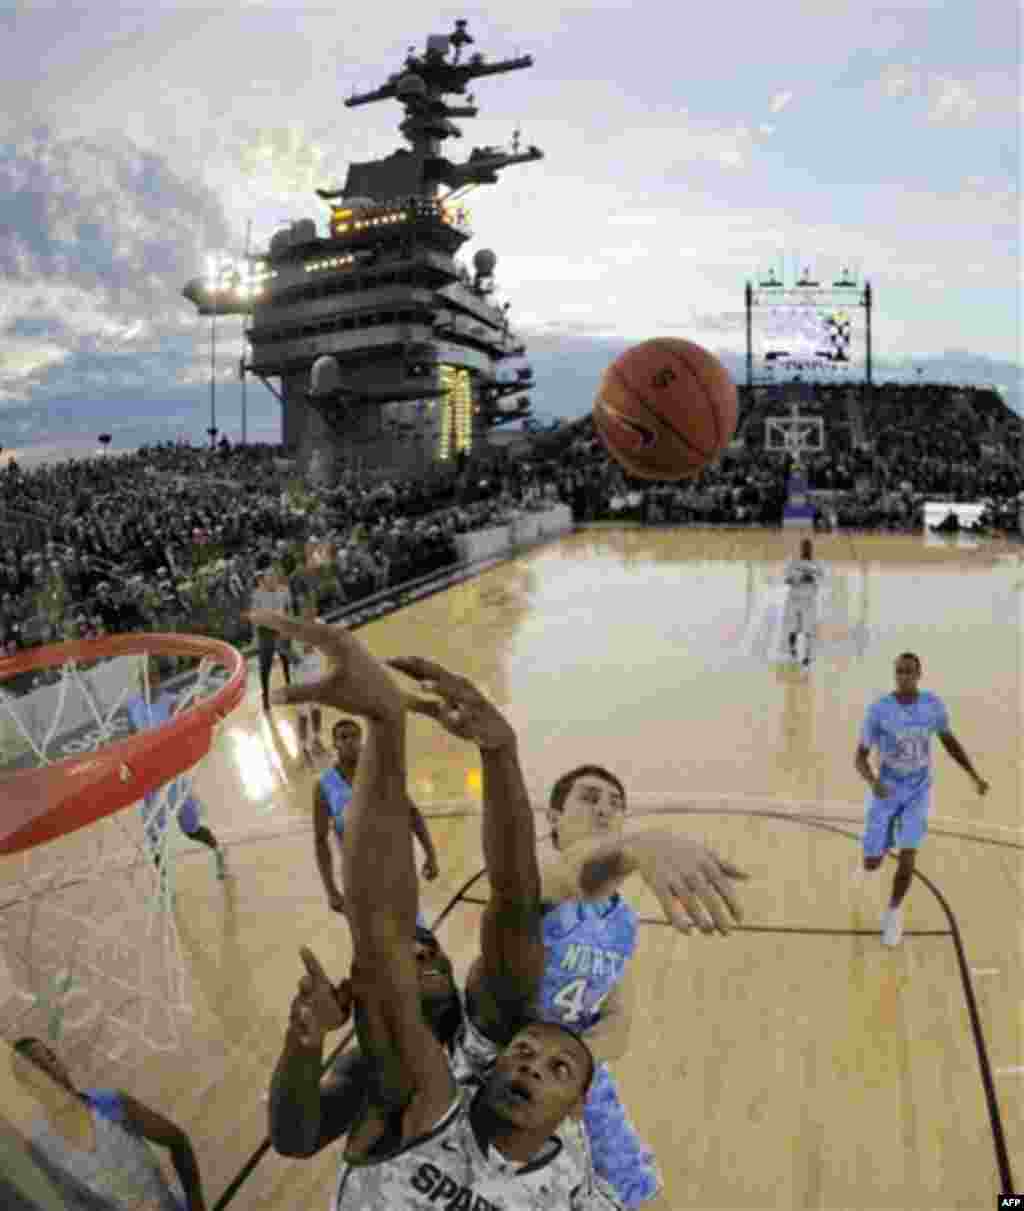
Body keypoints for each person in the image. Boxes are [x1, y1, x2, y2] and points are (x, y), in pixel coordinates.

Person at [255, 615, 748, 1206]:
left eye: (615, 802)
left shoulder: (565, 1172)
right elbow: (506, 894)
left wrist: (583, 1054)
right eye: (590, 798)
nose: (533, 1062)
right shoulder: (420, 1086)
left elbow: (612, 1006)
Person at [854, 651, 989, 946]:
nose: (904, 676)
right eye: (899, 671)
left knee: (908, 856)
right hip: (887, 788)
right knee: (873, 861)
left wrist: (973, 774)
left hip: (918, 790)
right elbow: (859, 758)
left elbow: (949, 742)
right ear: (895, 675)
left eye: (909, 671)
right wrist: (873, 782)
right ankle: (871, 856)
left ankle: (893, 913)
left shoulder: (932, 706)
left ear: (919, 675)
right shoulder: (879, 710)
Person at [9, 1037, 206, 1210]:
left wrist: (196, 1206)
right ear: (29, 1087)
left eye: (50, 1059)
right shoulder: (44, 1151)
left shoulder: (112, 1104)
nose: (51, 1072)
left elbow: (177, 1140)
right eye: (38, 1071)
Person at [315, 715, 439, 921]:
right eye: (343, 737)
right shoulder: (324, 786)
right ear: (334, 744)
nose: (350, 741)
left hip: (394, 868)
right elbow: (320, 841)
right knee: (370, 934)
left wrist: (430, 854)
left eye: (355, 736)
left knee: (412, 929)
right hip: (357, 877)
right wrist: (331, 890)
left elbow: (412, 813)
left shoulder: (382, 773)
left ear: (362, 740)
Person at [125, 656, 227, 883]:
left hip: (172, 778)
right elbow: (130, 742)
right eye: (143, 678)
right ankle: (163, 885)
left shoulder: (171, 703)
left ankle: (218, 850)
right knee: (154, 838)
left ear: (158, 678)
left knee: (191, 830)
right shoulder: (132, 706)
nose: (148, 681)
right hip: (148, 781)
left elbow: (188, 730)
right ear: (139, 679)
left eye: (152, 676)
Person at [250, 562, 292, 711]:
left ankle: (290, 688)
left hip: (281, 629)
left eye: (274, 576)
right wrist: (256, 637)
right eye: (269, 577)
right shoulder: (257, 595)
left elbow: (288, 610)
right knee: (265, 667)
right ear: (265, 579)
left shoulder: (284, 591)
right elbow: (255, 618)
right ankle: (265, 696)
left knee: (286, 660)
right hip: (265, 633)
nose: (272, 579)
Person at [782, 537, 826, 666]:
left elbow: (822, 580)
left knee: (808, 630)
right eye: (804, 547)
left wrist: (812, 578)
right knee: (792, 629)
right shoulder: (793, 562)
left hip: (809, 601)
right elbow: (787, 580)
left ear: (811, 549)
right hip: (794, 600)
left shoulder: (817, 564)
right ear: (801, 549)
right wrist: (799, 578)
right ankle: (792, 649)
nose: (806, 550)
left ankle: (807, 656)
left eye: (809, 547)